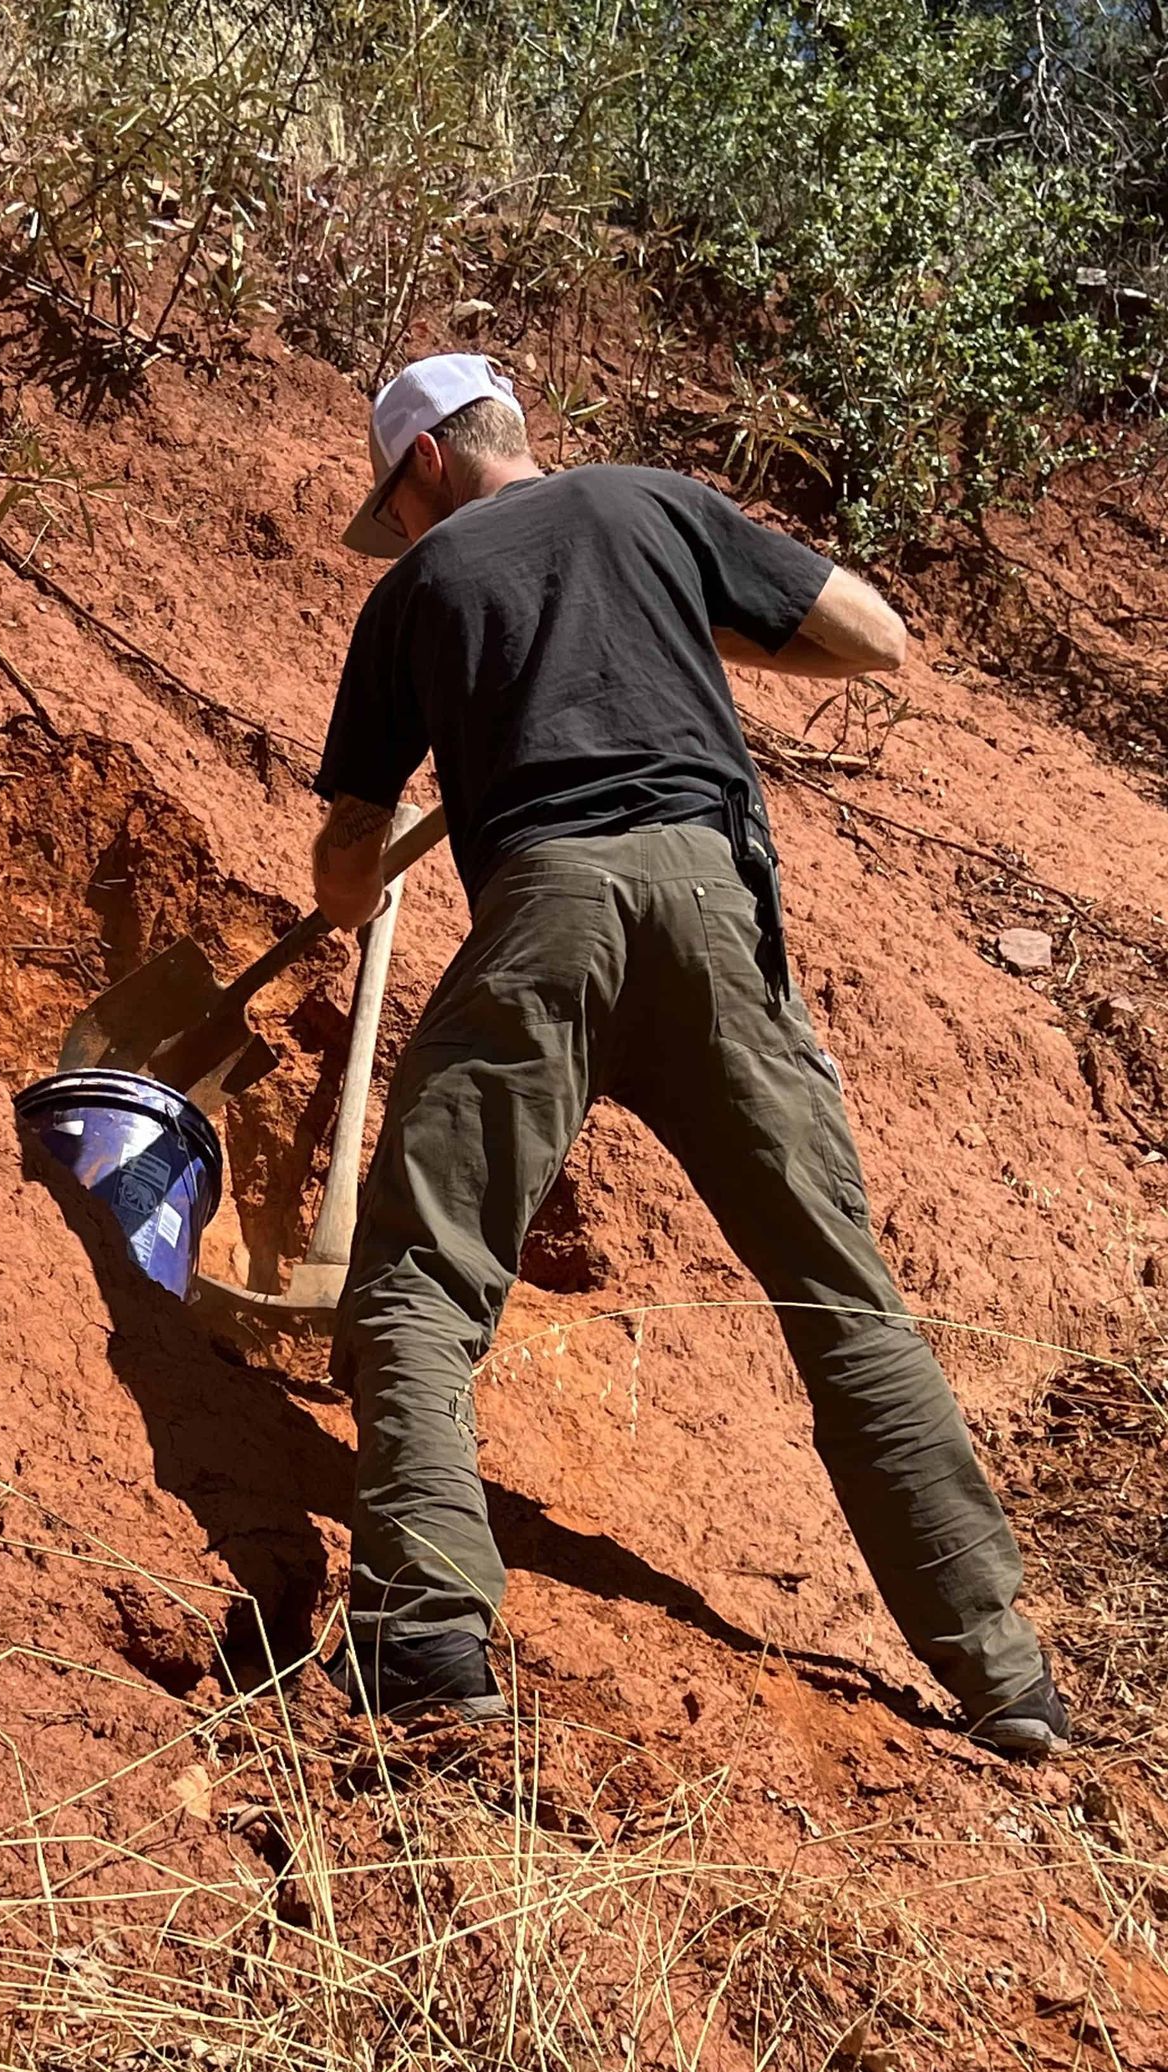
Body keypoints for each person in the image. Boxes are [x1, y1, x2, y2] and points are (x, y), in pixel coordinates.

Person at [311, 351, 1068, 1761]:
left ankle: (426, 1639)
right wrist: (690, 617)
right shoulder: (652, 504)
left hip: (543, 914)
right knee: (841, 1294)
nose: (400, 527)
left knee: (419, 1279)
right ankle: (1003, 1673)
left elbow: (348, 874)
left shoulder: (412, 592)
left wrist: (368, 869)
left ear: (422, 466)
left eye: (393, 500)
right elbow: (871, 635)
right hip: (721, 919)